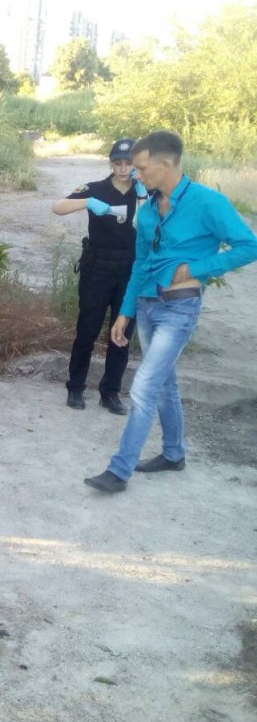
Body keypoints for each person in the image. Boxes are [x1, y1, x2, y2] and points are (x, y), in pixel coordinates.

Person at [84, 130, 257, 493]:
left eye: (141, 168)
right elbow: (141, 264)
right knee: (164, 384)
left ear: (165, 164)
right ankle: (174, 453)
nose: (135, 174)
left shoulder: (208, 202)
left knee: (144, 386)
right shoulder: (147, 212)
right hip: (146, 307)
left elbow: (248, 245)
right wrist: (125, 313)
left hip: (180, 307)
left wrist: (195, 269)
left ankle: (119, 471)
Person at [53, 138, 147, 415]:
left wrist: (143, 196)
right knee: (87, 329)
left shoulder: (144, 193)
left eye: (128, 163)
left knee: (122, 334)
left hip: (130, 270)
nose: (122, 168)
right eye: (118, 163)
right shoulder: (96, 189)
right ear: (110, 163)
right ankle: (76, 387)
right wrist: (87, 202)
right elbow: (58, 207)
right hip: (97, 269)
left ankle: (110, 393)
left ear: (135, 165)